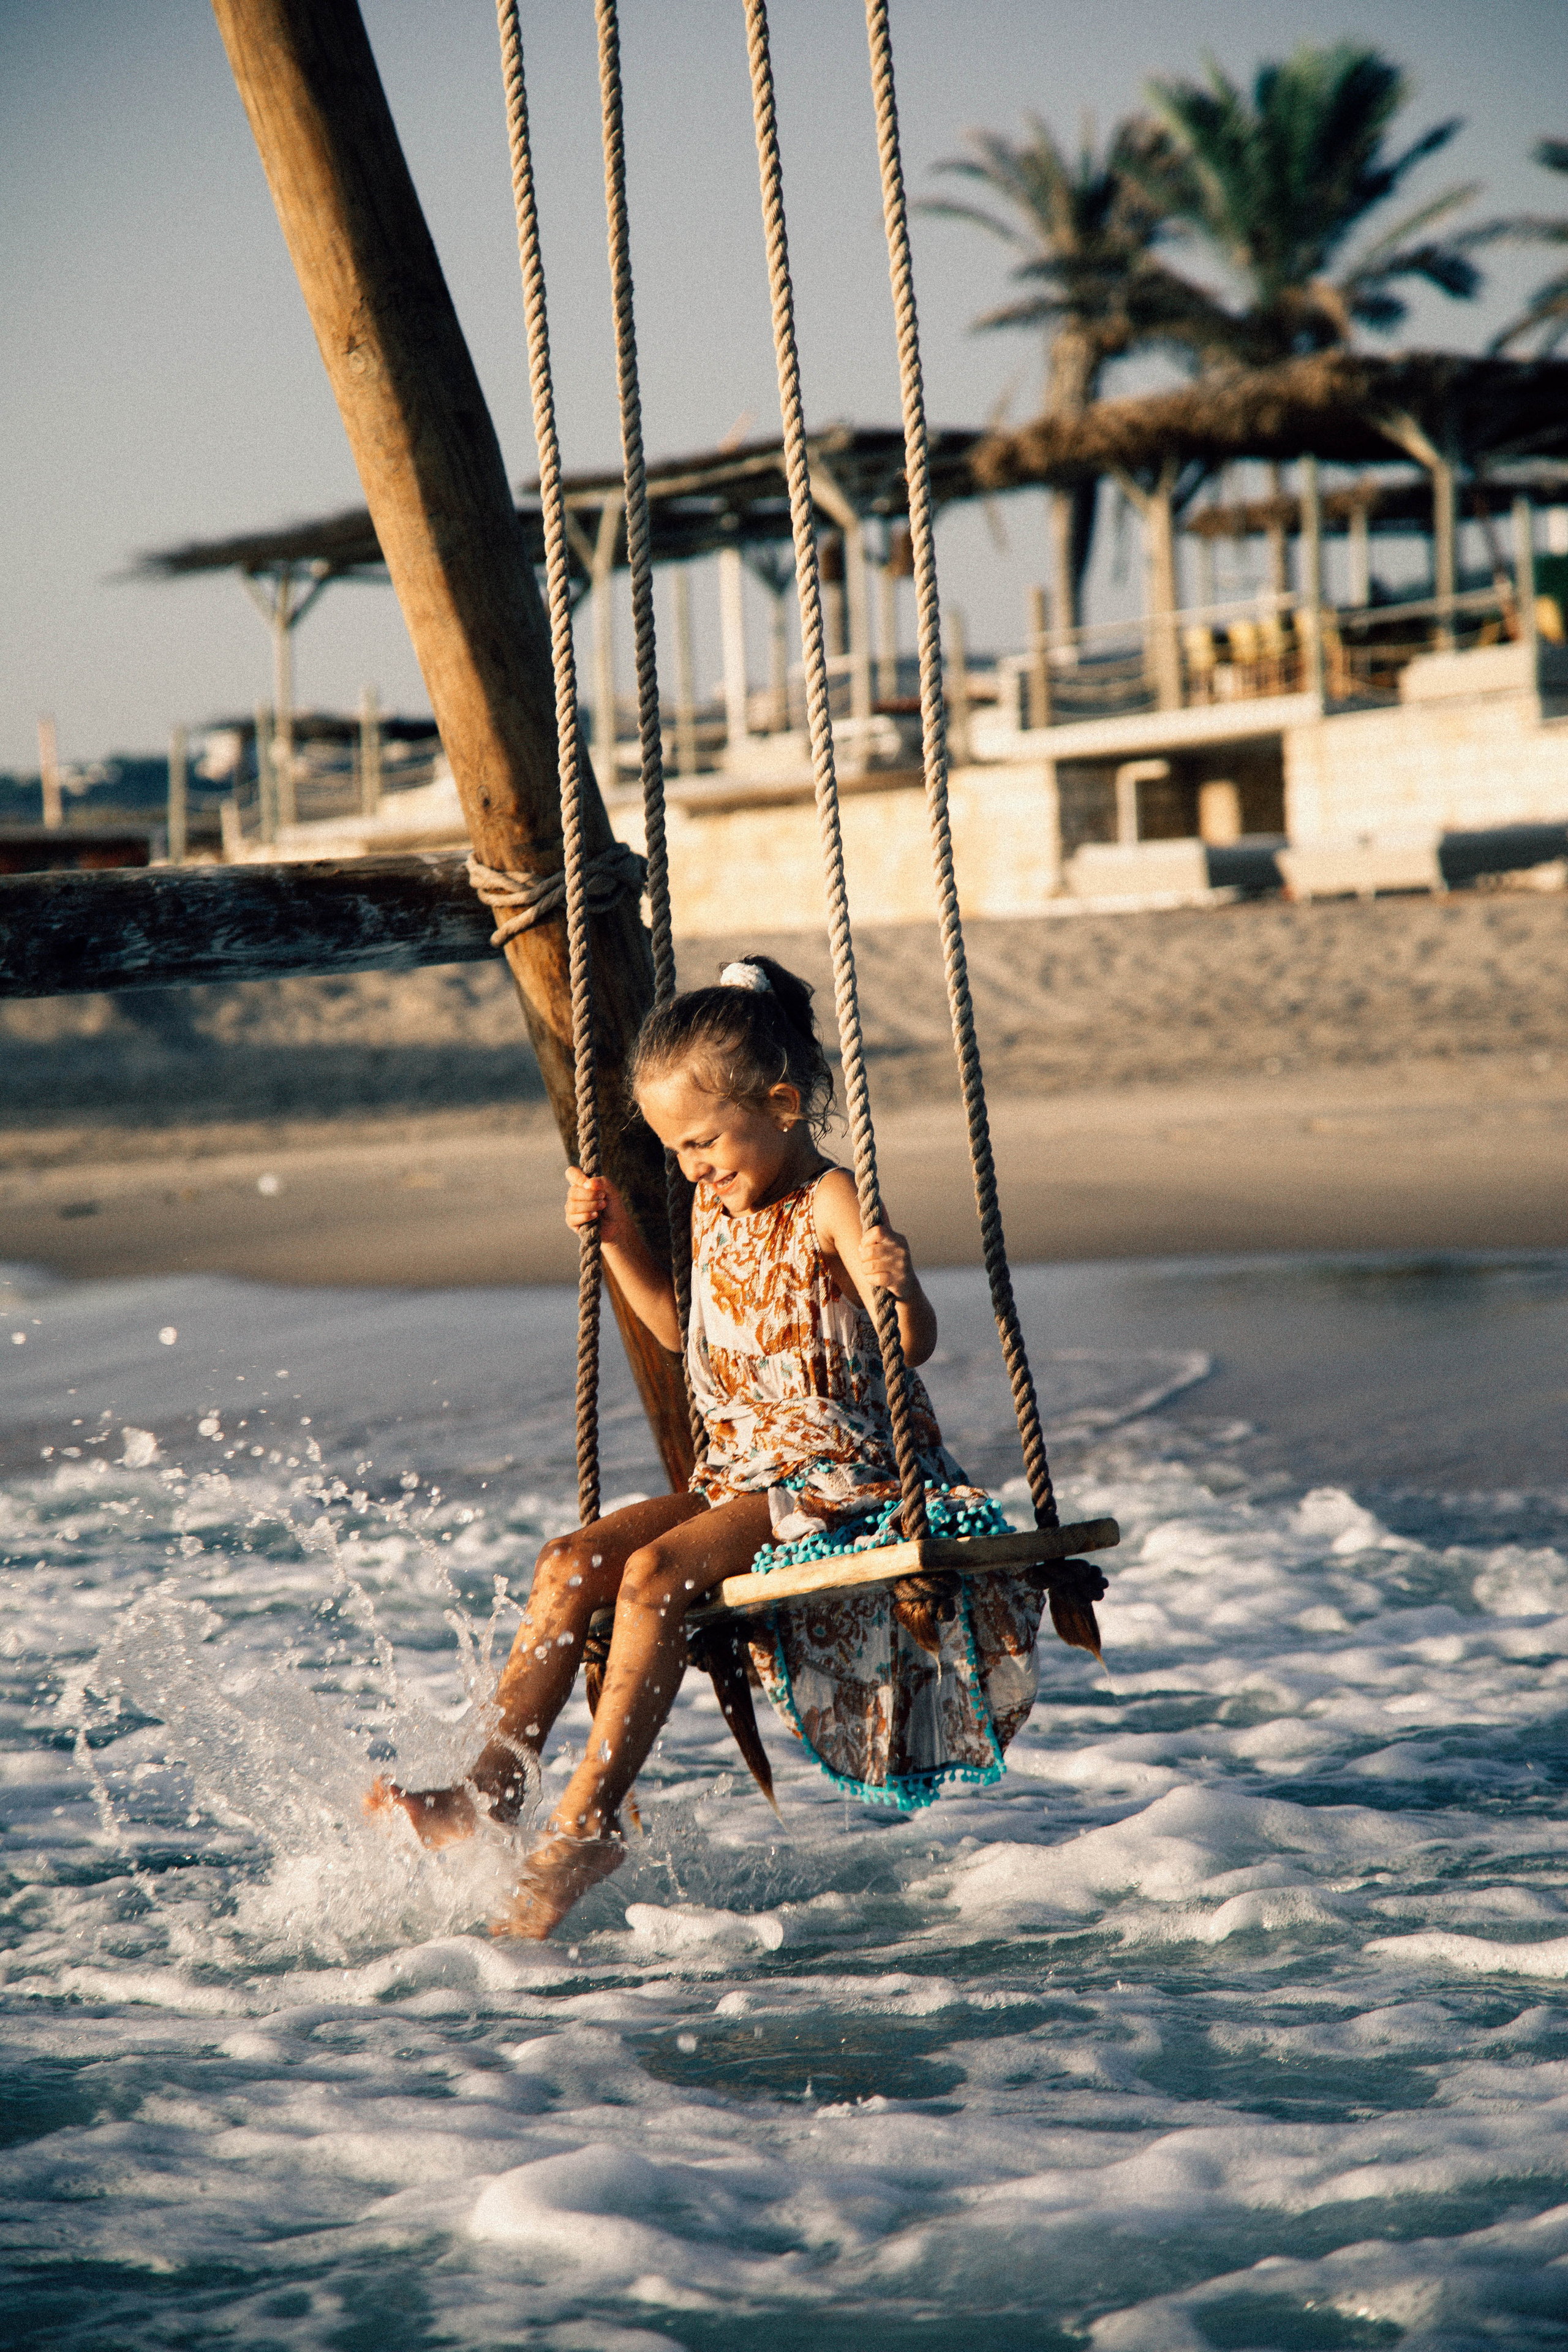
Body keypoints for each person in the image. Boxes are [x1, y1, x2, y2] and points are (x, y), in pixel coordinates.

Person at [368, 956, 1045, 1937]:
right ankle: (485, 1796)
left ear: (779, 1105)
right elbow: (681, 1331)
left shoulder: (830, 1201)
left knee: (650, 1579)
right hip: (737, 1472)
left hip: (833, 1481)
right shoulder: (708, 1205)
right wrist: (615, 1235)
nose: (692, 1165)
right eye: (675, 1150)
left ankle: (586, 1827)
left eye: (705, 1142)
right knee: (570, 1562)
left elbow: (916, 1347)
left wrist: (898, 1283)